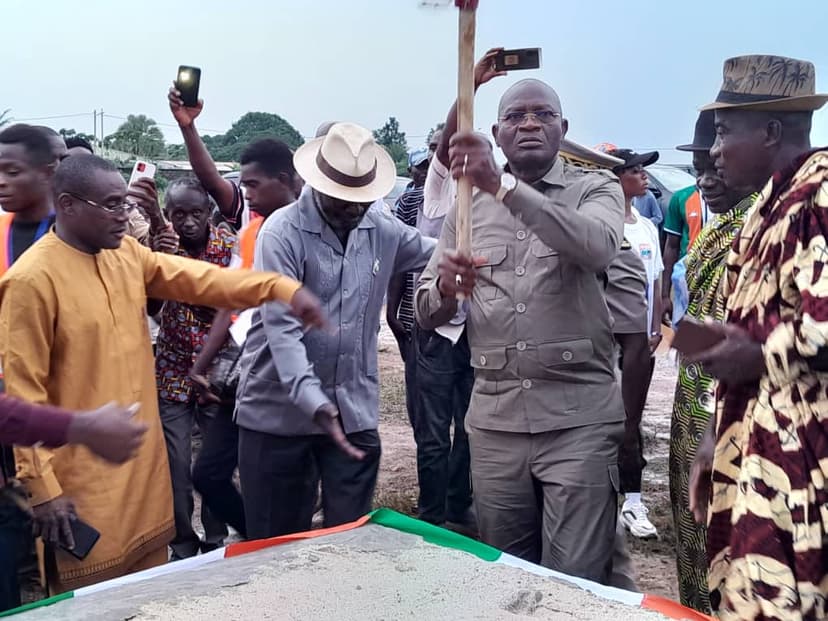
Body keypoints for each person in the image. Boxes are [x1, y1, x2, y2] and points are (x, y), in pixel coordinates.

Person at [0, 153, 324, 595]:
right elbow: (23, 395)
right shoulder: (30, 282)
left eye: (125, 204)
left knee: (146, 596)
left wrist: (277, 287)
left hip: (142, 470)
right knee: (94, 605)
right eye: (112, 205)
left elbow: (201, 279)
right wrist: (43, 489)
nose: (125, 215)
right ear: (68, 205)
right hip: (82, 482)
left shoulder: (126, 254)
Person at [416, 78, 625, 583]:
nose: (529, 124)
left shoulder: (596, 188)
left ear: (563, 128)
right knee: (508, 575)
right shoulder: (466, 207)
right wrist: (446, 288)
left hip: (578, 421)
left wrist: (503, 188)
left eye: (542, 114)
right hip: (496, 424)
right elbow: (425, 309)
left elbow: (598, 247)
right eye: (515, 116)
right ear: (496, 133)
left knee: (574, 579)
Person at [235, 122, 436, 539]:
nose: (353, 209)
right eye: (342, 198)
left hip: (352, 411)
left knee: (348, 540)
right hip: (279, 415)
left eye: (362, 199)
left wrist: (462, 260)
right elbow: (283, 331)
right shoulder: (281, 233)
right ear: (316, 183)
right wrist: (314, 400)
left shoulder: (380, 228)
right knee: (276, 545)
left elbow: (435, 252)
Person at [687, 55, 828, 621]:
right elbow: (745, 326)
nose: (716, 152)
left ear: (771, 132)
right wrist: (711, 441)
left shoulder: (819, 195)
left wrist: (757, 352)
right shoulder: (764, 208)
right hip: (754, 444)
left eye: (724, 133)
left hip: (807, 458)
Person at [407, 49, 505, 531]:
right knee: (432, 434)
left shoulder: (495, 200)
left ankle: (458, 507)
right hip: (436, 330)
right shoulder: (441, 187)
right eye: (461, 151)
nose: (467, 159)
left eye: (479, 153)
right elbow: (449, 141)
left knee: (470, 428)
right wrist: (472, 85)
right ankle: (431, 515)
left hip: (478, 332)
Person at [666, 109, 756, 614]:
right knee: (693, 543)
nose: (706, 179)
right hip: (691, 401)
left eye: (714, 166)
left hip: (725, 417)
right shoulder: (719, 229)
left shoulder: (758, 227)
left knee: (725, 546)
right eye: (699, 168)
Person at [152, 176, 241, 559]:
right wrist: (159, 261)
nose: (188, 222)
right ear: (167, 214)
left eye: (196, 213)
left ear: (209, 212)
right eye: (178, 214)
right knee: (175, 465)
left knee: (213, 465)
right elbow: (151, 308)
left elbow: (231, 306)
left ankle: (215, 539)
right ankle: (183, 543)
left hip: (216, 373)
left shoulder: (228, 247)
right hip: (172, 368)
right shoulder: (160, 248)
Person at [605, 148, 663, 540]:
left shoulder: (645, 227)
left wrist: (655, 325)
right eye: (635, 170)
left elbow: (655, 279)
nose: (643, 176)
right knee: (604, 421)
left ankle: (633, 502)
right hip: (607, 339)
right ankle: (602, 502)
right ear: (616, 178)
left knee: (632, 421)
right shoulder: (603, 227)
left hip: (639, 342)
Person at [168, 87, 300, 233]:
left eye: (253, 185)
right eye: (245, 185)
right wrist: (187, 126)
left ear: (283, 180)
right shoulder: (247, 215)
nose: (247, 195)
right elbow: (212, 181)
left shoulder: (314, 221)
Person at [387, 148, 429, 399]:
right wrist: (392, 312)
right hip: (414, 311)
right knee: (419, 391)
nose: (425, 172)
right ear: (410, 170)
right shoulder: (408, 202)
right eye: (420, 167)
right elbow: (399, 256)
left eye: (428, 166)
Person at [660, 155, 715, 321]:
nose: (705, 178)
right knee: (687, 332)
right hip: (687, 281)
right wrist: (665, 295)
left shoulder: (738, 199)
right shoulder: (681, 198)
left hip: (723, 281)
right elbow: (671, 246)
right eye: (699, 169)